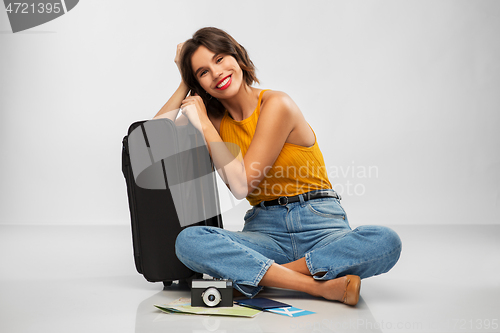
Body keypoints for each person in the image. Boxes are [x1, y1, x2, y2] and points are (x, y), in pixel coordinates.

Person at [153, 27, 402, 306]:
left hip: (319, 225)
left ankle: (261, 277)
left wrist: (203, 123)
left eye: (220, 59)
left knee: (385, 241)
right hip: (266, 232)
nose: (217, 73)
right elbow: (153, 143)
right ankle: (319, 286)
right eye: (203, 72)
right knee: (189, 241)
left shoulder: (276, 104)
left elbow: (243, 184)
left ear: (237, 56)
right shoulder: (209, 118)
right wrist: (184, 84)